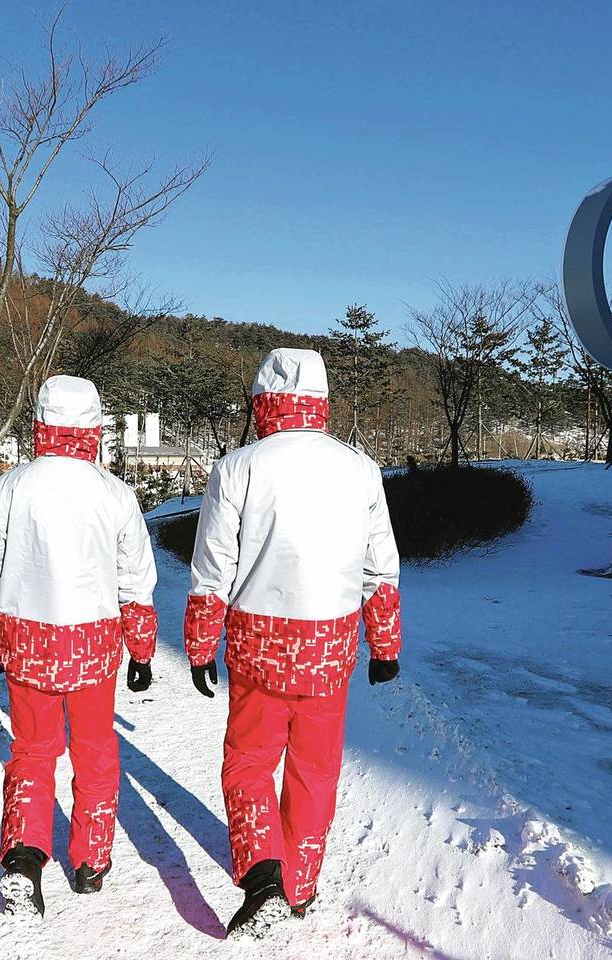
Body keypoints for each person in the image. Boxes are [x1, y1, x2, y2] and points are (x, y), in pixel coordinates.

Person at [185, 347, 402, 939]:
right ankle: (299, 886)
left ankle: (262, 875)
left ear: (262, 401)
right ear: (322, 399)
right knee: (315, 768)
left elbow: (212, 570)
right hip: (330, 647)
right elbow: (379, 565)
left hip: (258, 643)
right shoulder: (358, 468)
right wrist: (384, 643)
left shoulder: (237, 468)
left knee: (250, 761)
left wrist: (201, 644)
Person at [0, 375, 158, 920]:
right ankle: (91, 859)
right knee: (94, 749)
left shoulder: (10, 487)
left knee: (32, 749)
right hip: (94, 642)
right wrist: (140, 650)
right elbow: (136, 580)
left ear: (40, 423)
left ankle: (22, 855)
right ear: (93, 427)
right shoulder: (114, 493)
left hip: (28, 641)